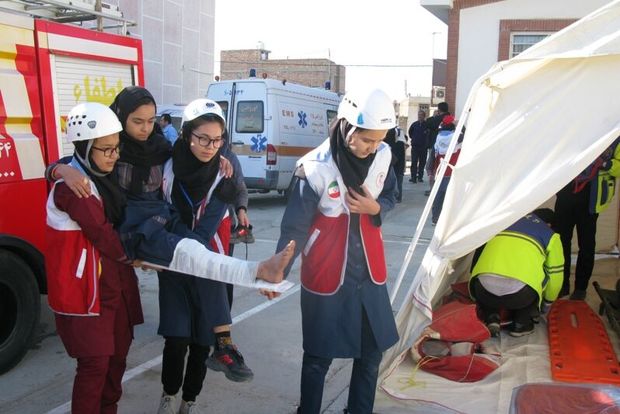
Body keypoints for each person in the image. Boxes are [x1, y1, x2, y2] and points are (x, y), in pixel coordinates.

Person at [49, 86, 294, 288]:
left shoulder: (160, 148)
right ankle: (259, 271)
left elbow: (188, 152)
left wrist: (215, 157)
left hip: (162, 216)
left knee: (197, 251)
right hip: (133, 227)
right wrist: (59, 170)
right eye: (137, 122)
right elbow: (81, 160)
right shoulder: (111, 146)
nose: (145, 129)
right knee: (188, 253)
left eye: (150, 120)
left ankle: (261, 275)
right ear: (121, 117)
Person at [276, 88, 399, 414]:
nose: (374, 148)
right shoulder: (314, 168)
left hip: (370, 275)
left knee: (370, 355)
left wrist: (376, 207)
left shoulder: (383, 156)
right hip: (327, 274)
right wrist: (279, 268)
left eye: (379, 139)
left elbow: (391, 197)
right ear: (347, 128)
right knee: (318, 358)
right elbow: (294, 228)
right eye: (368, 140)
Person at [156, 99, 253, 414]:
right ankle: (169, 396)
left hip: (209, 260)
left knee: (200, 340)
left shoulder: (225, 169)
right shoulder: (166, 166)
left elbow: (215, 216)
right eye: (202, 138)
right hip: (174, 262)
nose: (211, 146)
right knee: (176, 337)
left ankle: (189, 401)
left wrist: (193, 248)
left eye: (217, 140)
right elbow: (161, 208)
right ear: (186, 135)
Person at [46, 102, 144, 414]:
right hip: (87, 292)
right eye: (106, 150)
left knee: (117, 360)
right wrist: (136, 255)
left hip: (115, 286)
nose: (115, 156)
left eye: (116, 148)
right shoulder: (72, 187)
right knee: (94, 366)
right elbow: (101, 233)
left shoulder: (103, 178)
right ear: (85, 148)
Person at [469, 209, 564, 337]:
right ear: (549, 224)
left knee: (488, 275)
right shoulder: (550, 236)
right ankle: (521, 324)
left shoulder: (501, 223)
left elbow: (477, 259)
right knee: (542, 276)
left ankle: (492, 317)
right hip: (520, 297)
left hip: (483, 291)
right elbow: (556, 277)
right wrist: (546, 304)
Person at [554, 138, 620, 300]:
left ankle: (580, 288)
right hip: (566, 194)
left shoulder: (615, 138)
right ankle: (562, 285)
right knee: (560, 242)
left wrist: (604, 163)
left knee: (587, 244)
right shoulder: (578, 129)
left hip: (591, 199)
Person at [431, 115, 460, 225]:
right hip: (452, 171)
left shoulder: (439, 136)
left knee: (438, 196)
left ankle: (435, 218)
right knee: (451, 197)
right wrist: (459, 125)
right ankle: (449, 220)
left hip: (440, 170)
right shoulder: (456, 137)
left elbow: (435, 154)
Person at [424, 102, 450, 196]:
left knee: (430, 168)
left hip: (436, 147)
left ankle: (432, 190)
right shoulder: (451, 119)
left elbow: (427, 124)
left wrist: (434, 116)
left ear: (439, 110)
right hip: (450, 149)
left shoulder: (438, 119)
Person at [408, 110, 428, 183]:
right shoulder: (414, 124)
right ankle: (413, 177)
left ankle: (420, 177)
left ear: (424, 116)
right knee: (414, 162)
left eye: (421, 115)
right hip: (415, 146)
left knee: (422, 162)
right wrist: (414, 139)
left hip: (423, 147)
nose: (420, 116)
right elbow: (410, 133)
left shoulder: (427, 125)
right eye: (419, 115)